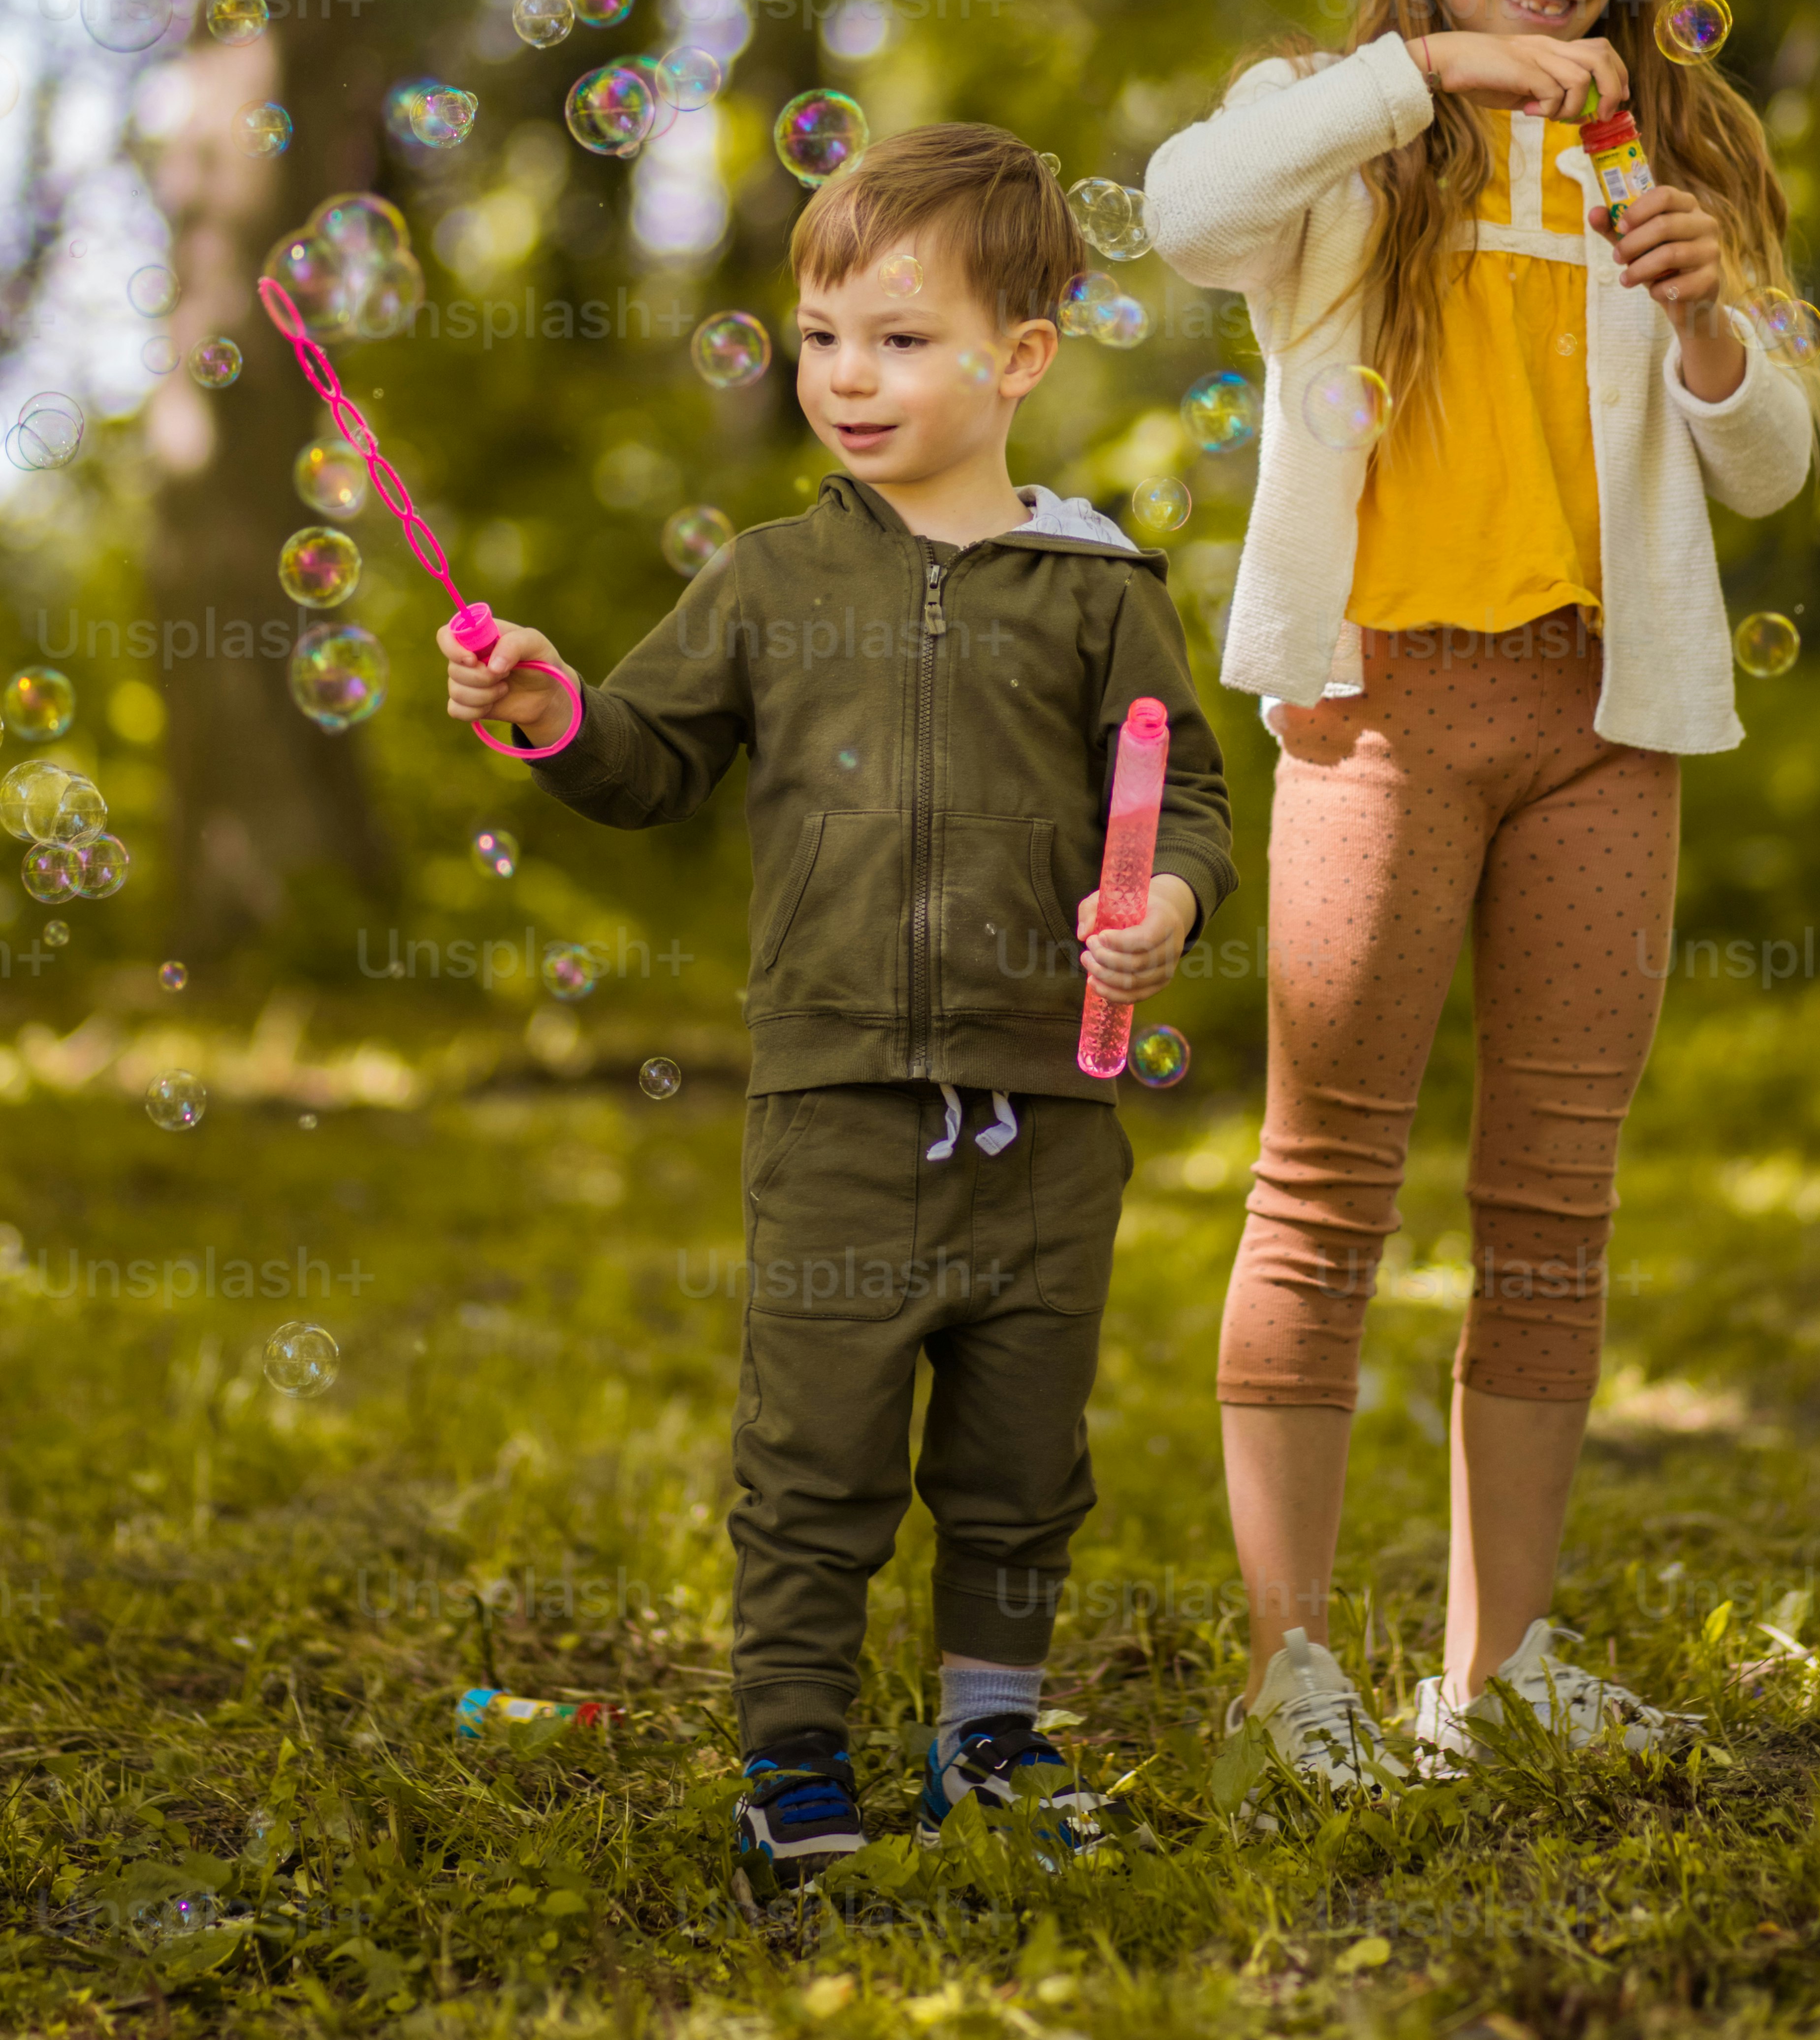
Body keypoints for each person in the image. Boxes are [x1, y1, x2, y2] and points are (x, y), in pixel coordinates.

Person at [1144, 0, 1820, 1789]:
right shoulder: (1340, 128)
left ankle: (1497, 1657)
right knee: (1322, 1178)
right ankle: (1290, 1670)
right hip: (1376, 711)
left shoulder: (1673, 148)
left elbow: (1773, 459)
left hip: (1605, 719)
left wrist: (1712, 326)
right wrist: (1424, 68)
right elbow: (1179, 205)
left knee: (1555, 1193)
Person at [442, 122, 1237, 1901]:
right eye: (818, 338)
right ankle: (792, 1755)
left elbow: (1183, 796)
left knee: (1025, 1454)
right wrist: (553, 706)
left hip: (1050, 1108)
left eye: (895, 335)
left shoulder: (1101, 588)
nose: (846, 377)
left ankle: (992, 1734)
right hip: (837, 1107)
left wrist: (1166, 901)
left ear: (1020, 357)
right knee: (813, 1447)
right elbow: (645, 768)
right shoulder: (767, 583)